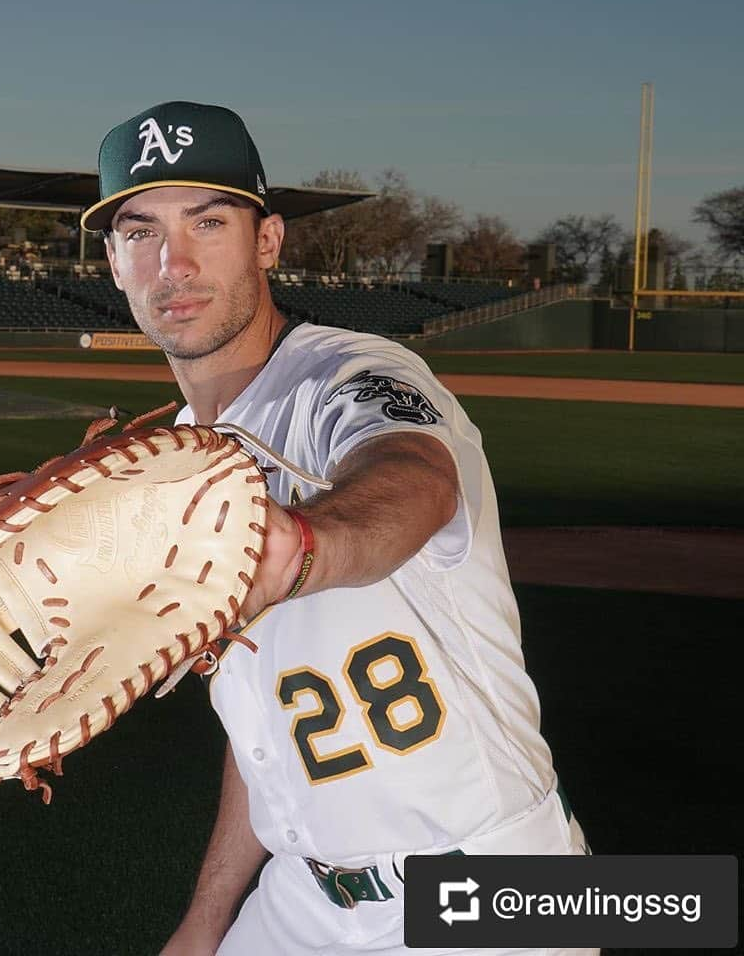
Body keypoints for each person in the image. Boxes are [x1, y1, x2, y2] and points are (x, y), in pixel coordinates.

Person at [80, 101, 593, 956]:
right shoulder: (177, 468)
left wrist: (299, 547)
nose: (175, 260)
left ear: (269, 242)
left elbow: (413, 476)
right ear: (113, 259)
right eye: (141, 232)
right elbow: (263, 725)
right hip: (305, 898)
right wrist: (208, 918)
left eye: (209, 221)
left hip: (496, 881)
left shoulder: (350, 375)